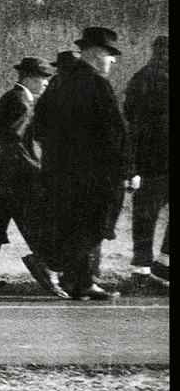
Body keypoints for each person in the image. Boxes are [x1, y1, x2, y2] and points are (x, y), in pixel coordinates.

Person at [31, 27, 138, 300]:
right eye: (109, 54)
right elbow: (115, 131)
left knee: (74, 223)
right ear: (94, 53)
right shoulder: (96, 84)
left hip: (59, 170)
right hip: (94, 172)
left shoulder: (59, 82)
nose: (112, 60)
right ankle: (51, 262)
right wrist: (127, 169)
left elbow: (38, 126)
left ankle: (81, 282)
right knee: (95, 224)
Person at [0, 56, 65, 298]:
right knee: (34, 224)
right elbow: (14, 143)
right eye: (43, 79)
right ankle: (45, 267)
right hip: (15, 178)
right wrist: (36, 169)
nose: (45, 84)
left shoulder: (13, 97)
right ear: (30, 79)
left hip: (1, 177)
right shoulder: (21, 102)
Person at [121, 35, 168, 288]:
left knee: (144, 218)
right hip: (155, 160)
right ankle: (158, 267)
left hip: (148, 159)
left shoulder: (141, 77)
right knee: (146, 217)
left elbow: (130, 118)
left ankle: (144, 270)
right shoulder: (149, 78)